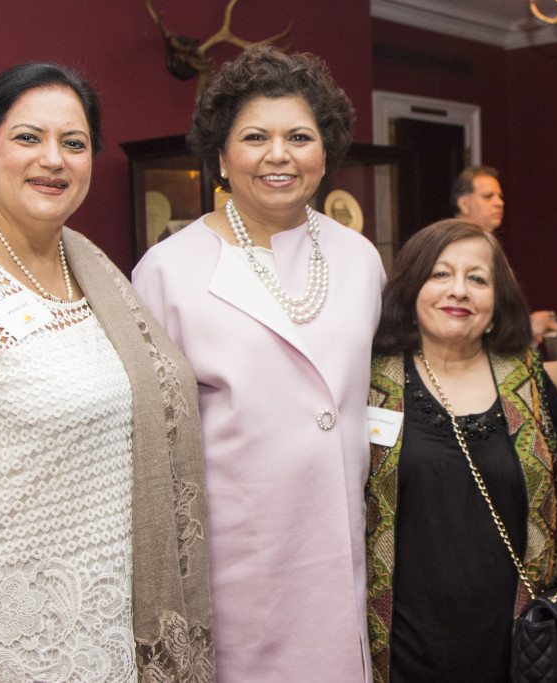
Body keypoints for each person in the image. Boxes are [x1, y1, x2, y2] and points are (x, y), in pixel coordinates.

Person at [0, 62, 213, 682]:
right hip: (13, 642)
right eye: (28, 137)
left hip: (111, 621)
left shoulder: (95, 269)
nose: (53, 159)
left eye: (73, 143)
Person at [132, 46, 383, 681]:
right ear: (220, 154)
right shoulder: (168, 270)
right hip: (238, 560)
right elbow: (150, 439)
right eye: (255, 137)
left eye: (300, 136)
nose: (280, 154)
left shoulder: (360, 259)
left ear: (325, 152)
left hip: (339, 544)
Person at [365, 219, 557, 681]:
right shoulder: (370, 380)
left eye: (477, 279)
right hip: (401, 639)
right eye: (439, 274)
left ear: (497, 304)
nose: (458, 290)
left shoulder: (527, 380)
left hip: (511, 636)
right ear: (411, 288)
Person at [451, 166, 557, 343]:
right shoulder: (454, 248)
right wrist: (528, 326)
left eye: (500, 197)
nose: (499, 203)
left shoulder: (486, 244)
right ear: (464, 204)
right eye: (488, 196)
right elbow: (465, 318)